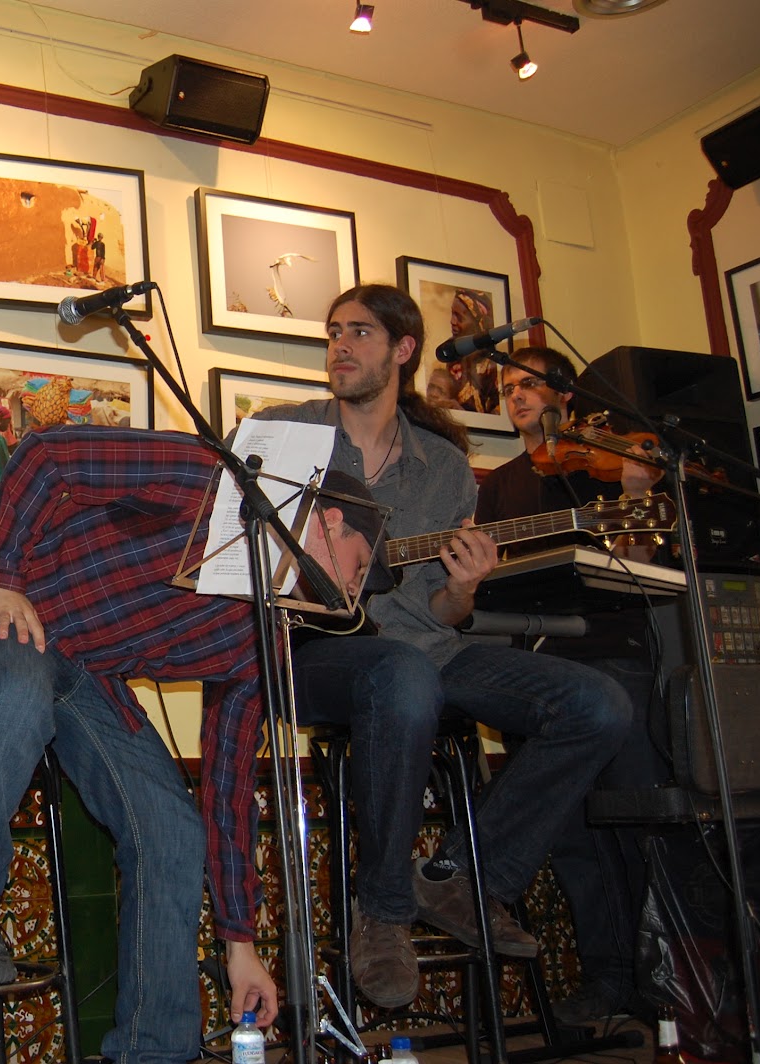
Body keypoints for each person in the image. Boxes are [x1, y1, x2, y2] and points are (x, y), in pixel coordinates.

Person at [0, 427, 386, 1062]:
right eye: (359, 568)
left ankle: (155, 1052)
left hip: (85, 676)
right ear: (330, 522)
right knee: (17, 695)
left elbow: (227, 792)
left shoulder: (265, 642)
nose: (352, 594)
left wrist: (240, 945)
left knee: (171, 828)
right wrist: (1, 572)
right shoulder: (209, 477)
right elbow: (46, 455)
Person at [251, 284, 631, 1011]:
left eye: (359, 333)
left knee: (597, 704)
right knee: (400, 676)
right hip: (313, 656)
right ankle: (386, 909)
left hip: (428, 650)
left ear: (402, 350)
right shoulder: (283, 433)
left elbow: (443, 610)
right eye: (333, 332)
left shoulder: (446, 466)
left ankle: (463, 875)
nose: (339, 346)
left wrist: (465, 587)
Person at [474, 347, 668, 1024]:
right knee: (572, 838)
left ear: (565, 394)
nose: (516, 396)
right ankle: (608, 983)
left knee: (633, 821)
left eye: (529, 384)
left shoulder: (605, 461)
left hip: (614, 654)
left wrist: (639, 493)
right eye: (507, 387)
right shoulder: (498, 486)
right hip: (538, 668)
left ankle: (669, 988)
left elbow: (639, 557)